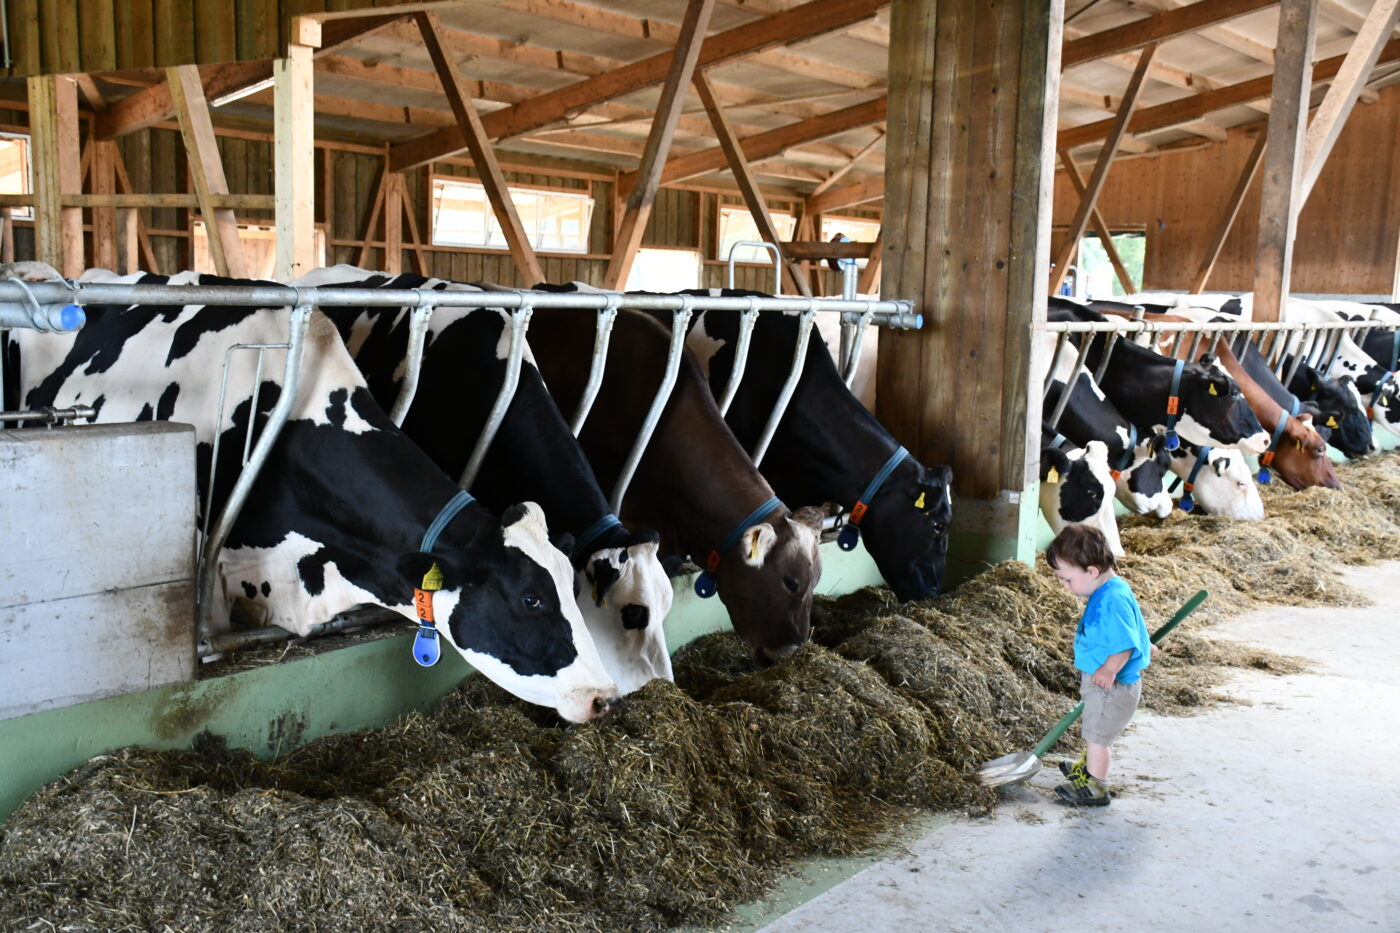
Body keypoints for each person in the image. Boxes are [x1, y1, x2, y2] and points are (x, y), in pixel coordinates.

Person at [1045, 523, 1151, 807]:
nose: (1065, 587)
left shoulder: (1110, 601)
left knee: (1098, 737)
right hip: (1106, 685)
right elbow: (1133, 628)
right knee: (1095, 731)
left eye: (1067, 580)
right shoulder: (1114, 589)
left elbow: (1125, 643)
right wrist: (1145, 642)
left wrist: (1109, 668)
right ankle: (1088, 768)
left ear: (1091, 571)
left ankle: (1095, 787)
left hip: (1111, 687)